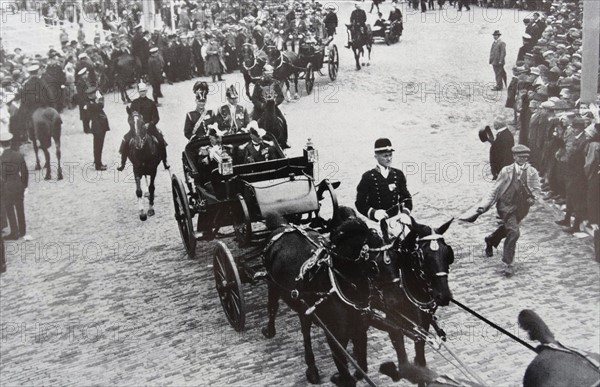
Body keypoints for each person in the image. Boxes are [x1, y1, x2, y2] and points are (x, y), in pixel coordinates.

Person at [477, 145, 541, 277]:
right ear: (514, 157)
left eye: (525, 157)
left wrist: (533, 197)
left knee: (509, 228)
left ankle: (491, 240)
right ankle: (508, 263)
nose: (522, 159)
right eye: (520, 157)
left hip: (522, 208)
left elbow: (536, 188)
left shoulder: (532, 172)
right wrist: (484, 205)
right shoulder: (506, 171)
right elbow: (495, 189)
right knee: (514, 232)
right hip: (505, 206)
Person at [356, 138, 413, 221]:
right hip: (375, 222)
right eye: (385, 156)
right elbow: (360, 203)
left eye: (390, 155)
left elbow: (406, 198)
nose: (389, 158)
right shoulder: (368, 177)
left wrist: (405, 214)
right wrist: (374, 213)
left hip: (395, 220)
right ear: (376, 157)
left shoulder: (398, 174)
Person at [118, 82, 169, 170]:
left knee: (160, 139)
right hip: (136, 128)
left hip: (149, 128)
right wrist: (133, 125)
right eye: (141, 91)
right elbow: (130, 117)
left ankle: (165, 160)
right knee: (126, 140)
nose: (142, 93)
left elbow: (156, 117)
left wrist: (150, 123)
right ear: (138, 91)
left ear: (146, 91)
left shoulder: (151, 103)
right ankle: (122, 163)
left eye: (144, 91)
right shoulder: (134, 103)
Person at [250, 65, 289, 148]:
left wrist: (275, 102)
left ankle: (284, 141)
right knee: (254, 123)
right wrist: (261, 105)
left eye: (271, 74)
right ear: (264, 74)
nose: (270, 76)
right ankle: (254, 141)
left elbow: (281, 96)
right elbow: (254, 98)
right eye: (268, 74)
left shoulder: (276, 83)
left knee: (283, 121)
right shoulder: (258, 84)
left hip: (273, 108)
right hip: (261, 109)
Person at [0, 130, 29, 240]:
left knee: (9, 209)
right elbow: (25, 172)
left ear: (1, 144)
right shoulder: (18, 156)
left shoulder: (1, 158)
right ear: (10, 143)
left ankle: (14, 232)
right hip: (18, 184)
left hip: (6, 186)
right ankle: (23, 231)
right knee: (20, 208)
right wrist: (24, 185)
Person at [84, 86, 109, 171]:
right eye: (94, 94)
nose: (95, 95)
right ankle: (98, 165)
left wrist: (98, 97)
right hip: (98, 127)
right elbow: (101, 105)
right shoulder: (90, 104)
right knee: (98, 146)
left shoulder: (92, 102)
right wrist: (99, 98)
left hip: (101, 126)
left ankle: (98, 162)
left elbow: (100, 103)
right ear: (90, 96)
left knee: (99, 146)